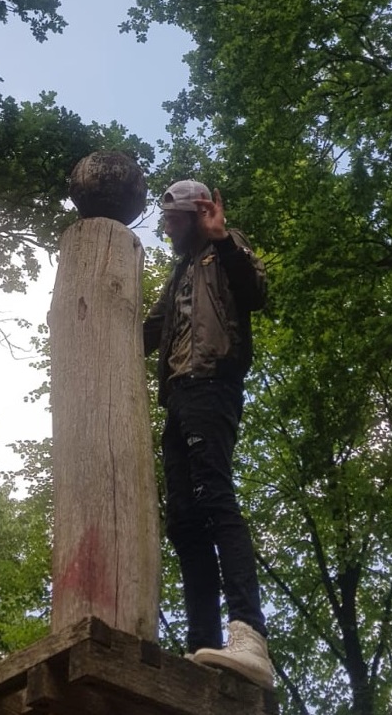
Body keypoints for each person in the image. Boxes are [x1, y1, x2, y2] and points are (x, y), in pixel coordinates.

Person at [143, 180, 273, 689]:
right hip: (178, 397)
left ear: (198, 214)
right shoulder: (179, 272)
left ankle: (250, 635)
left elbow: (255, 294)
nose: (166, 228)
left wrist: (222, 240)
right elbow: (147, 332)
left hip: (212, 385)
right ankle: (203, 643)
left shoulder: (226, 248)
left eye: (172, 219)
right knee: (183, 519)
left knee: (214, 498)